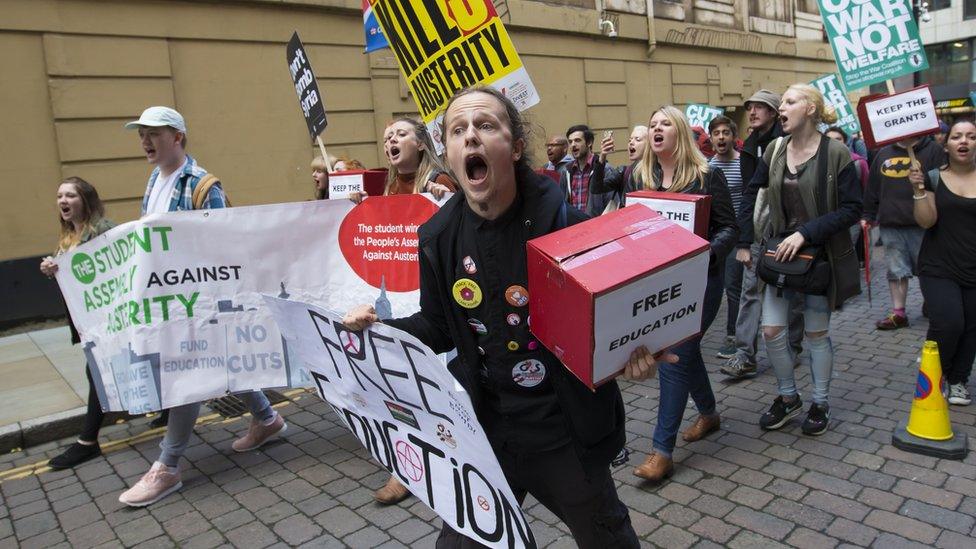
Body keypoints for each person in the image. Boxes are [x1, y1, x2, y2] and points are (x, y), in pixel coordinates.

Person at [344, 87, 673, 548]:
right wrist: (377, 330)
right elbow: (437, 326)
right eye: (458, 130)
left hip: (563, 427)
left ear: (515, 147)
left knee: (608, 540)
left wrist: (637, 352)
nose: (471, 138)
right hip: (486, 430)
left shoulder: (569, 226)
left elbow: (619, 316)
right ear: (448, 152)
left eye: (486, 126)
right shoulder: (437, 237)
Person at [117, 106, 287, 507]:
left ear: (177, 136)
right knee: (220, 361)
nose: (145, 141)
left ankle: (168, 466)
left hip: (197, 301)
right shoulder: (154, 180)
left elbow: (223, 243)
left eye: (153, 134)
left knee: (187, 372)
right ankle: (267, 418)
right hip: (169, 298)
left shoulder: (201, 183)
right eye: (141, 134)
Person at [596, 106, 736, 482]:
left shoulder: (708, 175)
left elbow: (729, 229)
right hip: (659, 284)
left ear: (679, 134)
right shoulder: (639, 175)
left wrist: (706, 254)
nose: (656, 129)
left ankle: (662, 451)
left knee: (674, 355)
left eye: (664, 125)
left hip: (702, 281)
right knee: (687, 353)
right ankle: (708, 413)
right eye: (652, 124)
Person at [737, 84, 862, 435]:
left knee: (816, 334)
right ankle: (788, 397)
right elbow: (752, 194)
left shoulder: (837, 153)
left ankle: (820, 403)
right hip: (779, 255)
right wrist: (745, 241)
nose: (782, 108)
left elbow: (853, 208)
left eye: (790, 101)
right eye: (783, 102)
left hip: (818, 260)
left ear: (810, 108)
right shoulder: (775, 149)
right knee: (772, 329)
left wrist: (806, 233)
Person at [356, 117, 456, 504]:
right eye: (385, 138)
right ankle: (407, 466)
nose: (390, 141)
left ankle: (446, 454)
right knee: (401, 382)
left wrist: (444, 199)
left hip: (437, 302)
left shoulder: (441, 185)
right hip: (400, 298)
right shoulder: (384, 188)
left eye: (399, 134)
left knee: (440, 383)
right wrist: (359, 210)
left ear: (421, 143)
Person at [722, 90, 805, 379]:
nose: (753, 112)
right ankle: (745, 354)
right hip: (758, 233)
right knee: (749, 292)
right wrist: (743, 242)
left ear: (773, 113)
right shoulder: (749, 148)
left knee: (788, 290)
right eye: (750, 108)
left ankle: (792, 347)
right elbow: (749, 195)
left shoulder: (790, 143)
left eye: (760, 107)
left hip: (788, 232)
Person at [41, 178, 116, 469]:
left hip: (107, 316)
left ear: (85, 199)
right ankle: (171, 410)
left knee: (95, 370)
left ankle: (88, 441)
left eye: (70, 195)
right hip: (85, 319)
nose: (63, 201)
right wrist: (52, 269)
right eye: (59, 195)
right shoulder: (68, 235)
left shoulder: (103, 230)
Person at [911, 119, 976, 406]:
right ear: (946, 144)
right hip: (938, 266)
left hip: (973, 265)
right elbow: (926, 221)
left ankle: (959, 379)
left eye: (972, 137)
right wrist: (917, 190)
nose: (964, 141)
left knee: (971, 327)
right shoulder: (934, 176)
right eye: (957, 136)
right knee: (949, 322)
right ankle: (936, 372)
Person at [862, 132, 945, 330]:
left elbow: (945, 182)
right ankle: (898, 313)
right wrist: (868, 214)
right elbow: (872, 187)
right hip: (891, 222)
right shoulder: (882, 153)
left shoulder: (934, 150)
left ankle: (933, 304)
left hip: (925, 224)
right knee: (896, 270)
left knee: (929, 269)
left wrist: (923, 180)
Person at [708, 115, 745, 359]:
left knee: (733, 287)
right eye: (716, 133)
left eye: (725, 132)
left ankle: (733, 336)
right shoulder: (708, 169)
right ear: (711, 138)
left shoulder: (744, 164)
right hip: (716, 236)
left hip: (738, 235)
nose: (721, 137)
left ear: (733, 136)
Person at [351, 117, 455, 206]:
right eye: (389, 137)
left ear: (420, 144)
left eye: (401, 134)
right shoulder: (391, 186)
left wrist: (447, 198)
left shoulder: (439, 181)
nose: (392, 140)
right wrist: (365, 204)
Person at [590, 124, 647, 204]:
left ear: (649, 145)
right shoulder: (624, 172)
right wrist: (602, 157)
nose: (631, 143)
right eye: (629, 140)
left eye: (637, 139)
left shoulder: (659, 170)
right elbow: (596, 188)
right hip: (629, 215)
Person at [562, 124, 610, 215]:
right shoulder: (566, 171)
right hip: (575, 226)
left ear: (589, 143)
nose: (573, 145)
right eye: (570, 142)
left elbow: (611, 205)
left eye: (577, 140)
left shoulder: (604, 169)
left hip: (597, 226)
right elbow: (562, 203)